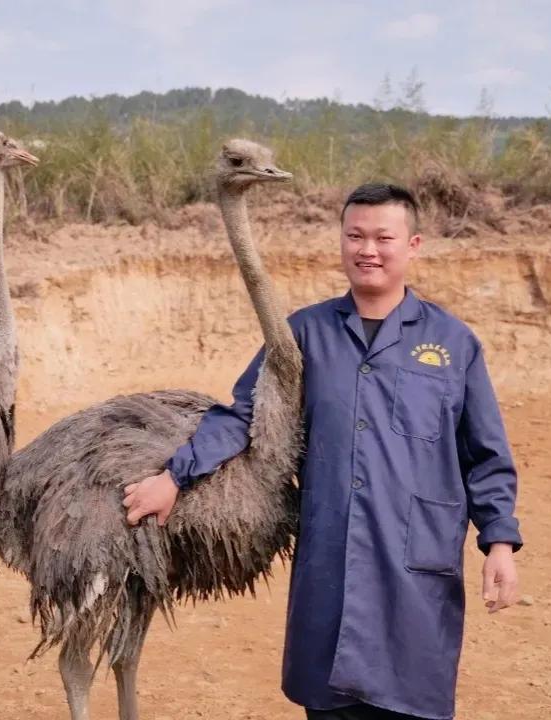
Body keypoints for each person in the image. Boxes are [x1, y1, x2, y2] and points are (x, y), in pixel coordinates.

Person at [123, 182, 522, 720]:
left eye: (384, 237)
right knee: (330, 701)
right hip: (333, 555)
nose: (368, 249)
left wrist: (499, 541)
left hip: (416, 560)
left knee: (413, 700)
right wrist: (175, 476)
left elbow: (486, 454)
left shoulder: (453, 343)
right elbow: (246, 414)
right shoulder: (305, 334)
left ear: (414, 245)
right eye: (355, 236)